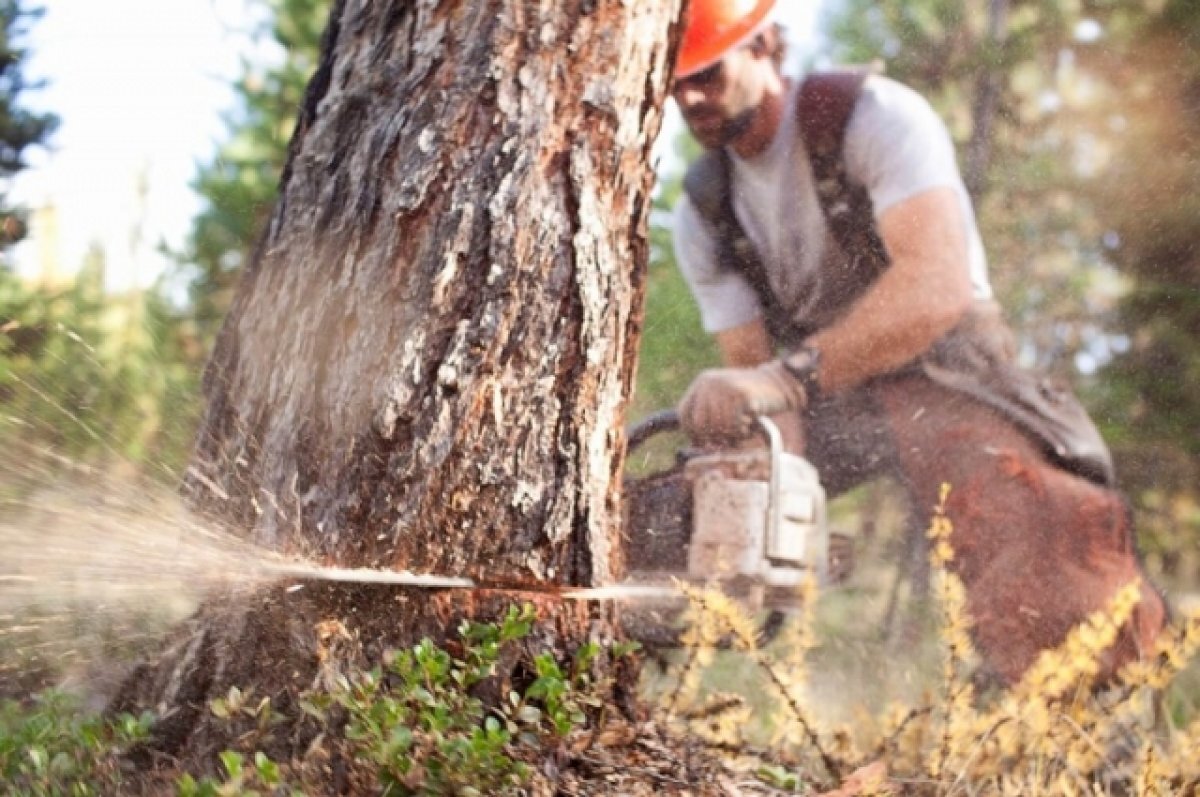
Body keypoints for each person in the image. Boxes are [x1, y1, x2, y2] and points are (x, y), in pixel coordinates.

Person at [668, 0, 1165, 683]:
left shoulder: (873, 116)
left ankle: (1082, 705)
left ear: (764, 46)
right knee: (690, 498)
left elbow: (936, 286)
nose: (689, 97)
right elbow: (757, 380)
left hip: (949, 367)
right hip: (827, 390)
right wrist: (760, 486)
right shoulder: (703, 213)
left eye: (705, 74)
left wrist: (785, 380)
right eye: (674, 84)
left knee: (1029, 518)